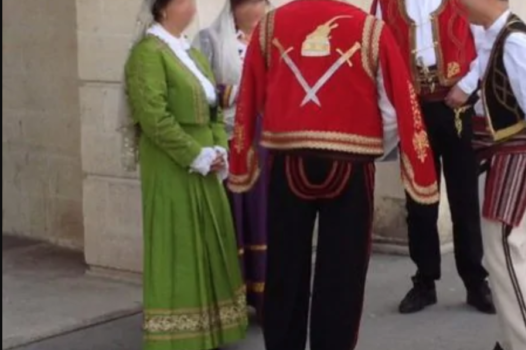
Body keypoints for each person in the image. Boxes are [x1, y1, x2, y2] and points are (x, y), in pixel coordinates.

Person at [228, 1, 440, 349]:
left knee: (285, 269)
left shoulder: (270, 26)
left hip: (289, 160)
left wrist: (281, 131)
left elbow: (254, 94)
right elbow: (393, 103)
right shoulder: (369, 28)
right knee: (342, 273)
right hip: (349, 166)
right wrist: (369, 145)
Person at [121, 0, 248, 348]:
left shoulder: (189, 53)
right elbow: (154, 118)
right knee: (179, 241)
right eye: (184, 0)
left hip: (208, 159)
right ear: (163, 8)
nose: (192, 6)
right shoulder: (148, 53)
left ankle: (210, 328)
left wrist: (219, 147)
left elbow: (213, 108)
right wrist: (196, 154)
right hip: (171, 163)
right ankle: (178, 334)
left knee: (209, 239)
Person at [370, 0, 495, 315]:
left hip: (456, 106)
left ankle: (474, 280)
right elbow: (379, 54)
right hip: (413, 111)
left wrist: (466, 87)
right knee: (419, 198)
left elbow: (488, 43)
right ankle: (424, 280)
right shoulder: (385, 4)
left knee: (464, 198)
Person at [459, 0, 526, 349]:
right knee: (506, 253)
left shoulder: (514, 40)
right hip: (507, 156)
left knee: (505, 251)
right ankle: (510, 341)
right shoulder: (496, 35)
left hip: (517, 157)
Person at [193, 0, 270, 314]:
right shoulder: (211, 40)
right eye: (256, 3)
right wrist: (237, 92)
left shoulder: (272, 41)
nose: (263, 8)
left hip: (267, 142)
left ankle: (269, 296)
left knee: (266, 216)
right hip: (231, 139)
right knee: (234, 216)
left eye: (265, 2)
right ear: (237, 8)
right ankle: (232, 298)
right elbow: (200, 88)